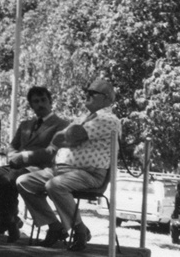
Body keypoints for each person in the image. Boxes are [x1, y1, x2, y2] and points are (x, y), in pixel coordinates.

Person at [16, 77, 122, 251]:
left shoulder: (109, 119)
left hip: (89, 174)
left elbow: (71, 135)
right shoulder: (84, 117)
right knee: (24, 182)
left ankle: (79, 231)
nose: (86, 95)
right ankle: (55, 226)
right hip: (61, 171)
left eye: (92, 93)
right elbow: (58, 138)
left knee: (54, 185)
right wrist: (70, 137)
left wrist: (70, 137)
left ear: (106, 98)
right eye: (86, 91)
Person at [0, 86, 69, 242]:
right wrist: (13, 154)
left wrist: (24, 157)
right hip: (17, 165)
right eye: (36, 101)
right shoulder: (26, 124)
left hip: (40, 167)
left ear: (50, 101)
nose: (40, 104)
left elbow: (51, 152)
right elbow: (12, 146)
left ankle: (9, 221)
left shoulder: (61, 124)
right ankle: (8, 219)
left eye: (43, 100)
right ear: (31, 105)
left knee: (8, 180)